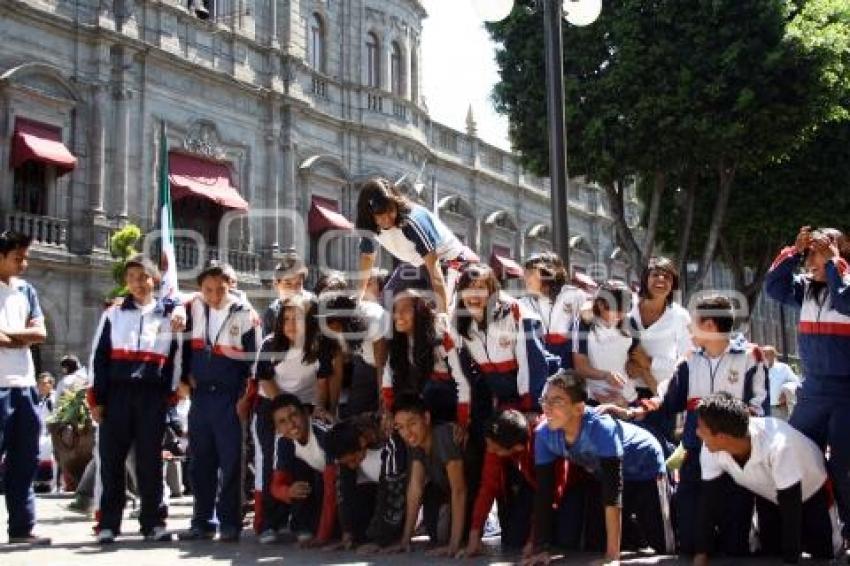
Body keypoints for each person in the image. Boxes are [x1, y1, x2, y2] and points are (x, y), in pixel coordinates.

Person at [606, 295, 767, 555]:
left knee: (735, 545)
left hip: (735, 457)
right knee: (690, 541)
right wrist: (632, 412)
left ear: (710, 326)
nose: (689, 330)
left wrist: (728, 435)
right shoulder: (690, 360)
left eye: (693, 323)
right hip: (695, 453)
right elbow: (667, 402)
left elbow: (759, 408)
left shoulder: (750, 357)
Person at [527, 371, 671, 566]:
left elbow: (613, 492)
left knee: (663, 545)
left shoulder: (601, 427)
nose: (547, 408)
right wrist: (540, 549)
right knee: (595, 542)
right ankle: (631, 531)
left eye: (557, 401)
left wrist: (612, 558)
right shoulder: (543, 434)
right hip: (603, 473)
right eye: (544, 400)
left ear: (579, 408)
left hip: (645, 468)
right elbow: (544, 493)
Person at [88, 254, 182, 543]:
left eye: (143, 277)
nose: (137, 284)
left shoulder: (170, 316)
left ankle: (152, 522)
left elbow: (176, 357)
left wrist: (171, 394)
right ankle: (109, 524)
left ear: (155, 280)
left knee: (150, 463)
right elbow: (98, 356)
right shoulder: (113, 313)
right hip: (117, 394)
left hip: (152, 396)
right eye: (131, 278)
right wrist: (96, 399)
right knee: (111, 461)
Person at [764, 226, 850, 541]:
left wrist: (835, 262)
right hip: (813, 390)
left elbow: (845, 302)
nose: (814, 258)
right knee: (795, 456)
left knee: (843, 468)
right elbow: (773, 288)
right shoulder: (805, 289)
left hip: (846, 394)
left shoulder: (846, 281)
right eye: (811, 252)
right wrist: (792, 252)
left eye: (822, 249)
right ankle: (808, 533)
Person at [693, 393, 842, 564]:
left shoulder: (778, 446)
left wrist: (790, 561)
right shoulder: (711, 447)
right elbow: (708, 501)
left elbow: (791, 505)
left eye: (701, 428)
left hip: (812, 492)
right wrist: (701, 553)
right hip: (770, 495)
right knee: (770, 552)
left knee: (823, 555)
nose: (697, 433)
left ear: (722, 437)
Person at [178, 261, 260, 542]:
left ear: (231, 286)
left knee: (231, 462)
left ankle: (230, 521)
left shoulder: (246, 315)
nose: (214, 296)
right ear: (200, 288)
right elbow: (169, 305)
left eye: (220, 290)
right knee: (200, 462)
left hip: (230, 398)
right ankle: (201, 520)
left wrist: (245, 399)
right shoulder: (193, 307)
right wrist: (183, 378)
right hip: (200, 397)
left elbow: (254, 364)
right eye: (208, 289)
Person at [252, 294, 328, 543]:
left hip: (304, 411)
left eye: (296, 318)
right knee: (273, 466)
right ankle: (269, 524)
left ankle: (301, 522)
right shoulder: (269, 344)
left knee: (302, 466)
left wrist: (315, 410)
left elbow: (322, 385)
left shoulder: (320, 347)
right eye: (285, 319)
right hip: (273, 409)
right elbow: (265, 379)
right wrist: (283, 414)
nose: (290, 324)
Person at [0, 230, 50, 545]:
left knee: (25, 459)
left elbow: (40, 333)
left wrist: (10, 336)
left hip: (26, 386)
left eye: (26, 257)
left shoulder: (27, 291)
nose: (24, 263)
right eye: (18, 257)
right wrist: (23, 337)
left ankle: (22, 527)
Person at [355, 177, 466, 314]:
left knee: (429, 313)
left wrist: (443, 313)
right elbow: (367, 258)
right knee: (387, 304)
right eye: (380, 216)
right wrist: (357, 299)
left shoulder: (411, 221)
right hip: (416, 264)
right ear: (369, 214)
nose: (388, 219)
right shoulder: (368, 226)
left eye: (391, 211)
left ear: (396, 204)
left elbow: (434, 267)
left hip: (447, 261)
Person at [464, 409, 564, 558]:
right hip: (533, 484)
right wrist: (475, 533)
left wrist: (534, 543)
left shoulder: (543, 439)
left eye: (495, 448)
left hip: (564, 484)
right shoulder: (498, 439)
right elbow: (488, 486)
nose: (490, 450)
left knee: (567, 540)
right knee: (513, 540)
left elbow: (551, 492)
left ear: (517, 447)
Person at [388, 394, 466, 557]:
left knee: (444, 534)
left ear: (427, 418)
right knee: (435, 534)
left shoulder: (443, 435)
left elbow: (459, 489)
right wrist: (405, 540)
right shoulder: (415, 442)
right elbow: (415, 488)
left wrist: (454, 545)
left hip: (468, 494)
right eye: (400, 427)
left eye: (412, 423)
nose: (407, 432)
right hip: (445, 493)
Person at [627, 257, 693, 450]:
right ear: (645, 278)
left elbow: (686, 360)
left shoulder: (680, 316)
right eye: (655, 275)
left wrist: (649, 364)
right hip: (624, 393)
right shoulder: (628, 308)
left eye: (668, 277)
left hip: (659, 397)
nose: (661, 280)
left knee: (658, 450)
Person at [382, 290, 469, 428]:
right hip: (423, 394)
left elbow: (462, 382)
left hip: (449, 396)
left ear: (419, 312)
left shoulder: (441, 336)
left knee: (430, 388)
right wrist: (390, 412)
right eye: (395, 310)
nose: (398, 315)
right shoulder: (395, 341)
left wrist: (462, 421)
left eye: (405, 309)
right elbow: (387, 379)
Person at [323, 416, 409, 551]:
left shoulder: (390, 438)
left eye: (353, 460)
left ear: (362, 442)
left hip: (406, 490)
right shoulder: (347, 437)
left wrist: (379, 540)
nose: (352, 466)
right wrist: (347, 533)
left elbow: (391, 492)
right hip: (376, 486)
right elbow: (345, 490)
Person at [267, 393, 337, 546]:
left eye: (293, 415)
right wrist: (288, 491)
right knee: (286, 472)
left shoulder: (324, 433)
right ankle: (298, 526)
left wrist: (322, 538)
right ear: (277, 428)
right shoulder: (283, 441)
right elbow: (276, 486)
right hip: (322, 478)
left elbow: (333, 488)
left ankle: (322, 529)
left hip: (349, 482)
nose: (291, 424)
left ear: (305, 413)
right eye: (282, 422)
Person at [572, 281, 639, 406]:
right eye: (617, 309)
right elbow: (580, 367)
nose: (621, 314)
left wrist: (635, 366)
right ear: (601, 304)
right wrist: (606, 376)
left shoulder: (630, 323)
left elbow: (637, 358)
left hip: (628, 400)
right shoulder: (584, 324)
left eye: (625, 309)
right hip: (596, 401)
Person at [522, 252, 587, 374]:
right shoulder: (524, 304)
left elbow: (585, 338)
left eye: (530, 273)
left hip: (570, 371)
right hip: (538, 370)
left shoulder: (575, 296)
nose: (525, 278)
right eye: (525, 273)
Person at [262, 250, 315, 337]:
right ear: (276, 285)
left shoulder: (313, 305)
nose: (293, 289)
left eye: (298, 284)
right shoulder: (272, 312)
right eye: (288, 284)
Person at [761, 346, 800, 420]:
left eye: (767, 355)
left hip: (779, 409)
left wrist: (786, 392)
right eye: (763, 355)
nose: (764, 357)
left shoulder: (783, 368)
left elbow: (796, 382)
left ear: (773, 356)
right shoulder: (758, 369)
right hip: (763, 410)